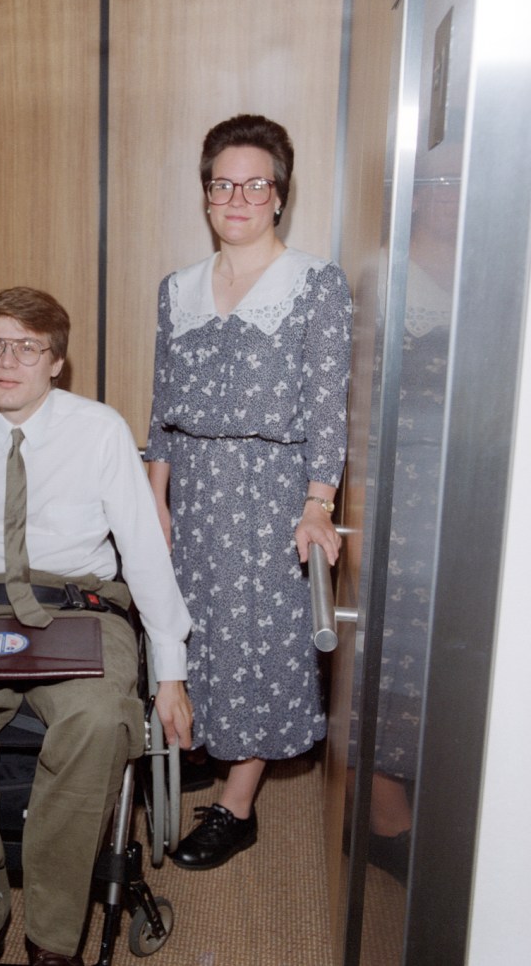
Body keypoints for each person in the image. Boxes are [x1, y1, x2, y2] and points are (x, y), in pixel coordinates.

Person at [0, 287, 193, 966]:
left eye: (27, 347)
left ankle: (54, 938)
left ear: (57, 361)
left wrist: (170, 672)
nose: (7, 361)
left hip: (77, 604)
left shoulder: (100, 429)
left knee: (98, 718)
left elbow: (142, 544)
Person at [145, 114, 352, 870]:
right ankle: (204, 743)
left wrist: (317, 502)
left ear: (279, 195)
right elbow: (162, 404)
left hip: (270, 494)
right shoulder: (177, 290)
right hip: (193, 491)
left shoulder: (314, 284)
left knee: (260, 646)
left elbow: (329, 406)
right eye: (221, 184)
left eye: (253, 183)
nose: (236, 197)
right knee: (194, 630)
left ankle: (239, 805)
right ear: (206, 196)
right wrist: (154, 502)